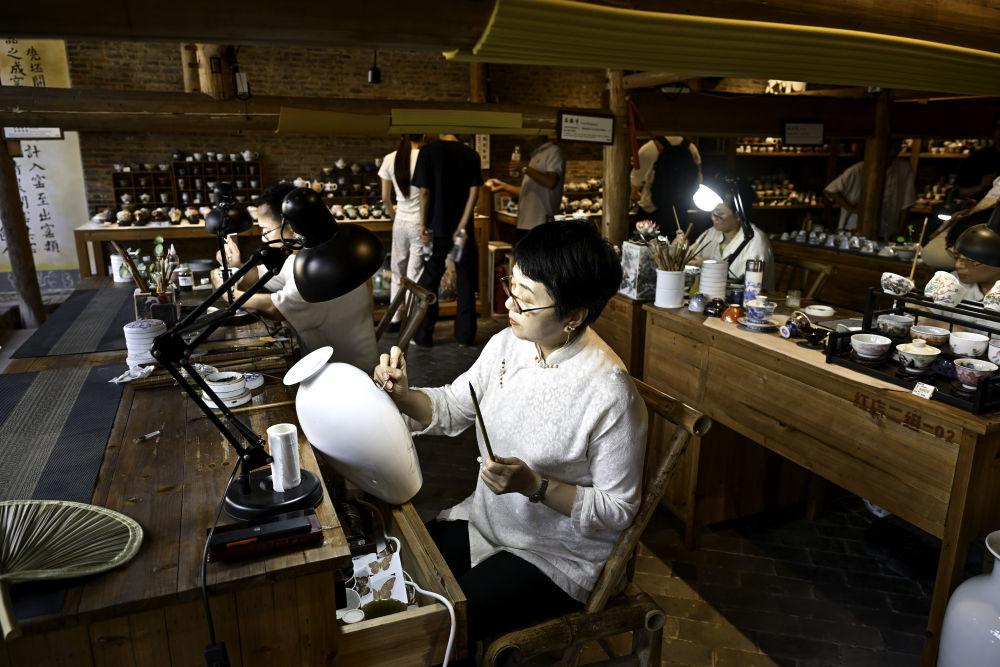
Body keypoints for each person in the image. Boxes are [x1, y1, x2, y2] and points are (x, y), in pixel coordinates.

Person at [373, 221, 647, 661]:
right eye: (511, 285)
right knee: (395, 575)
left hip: (556, 554)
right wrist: (404, 396)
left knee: (443, 623)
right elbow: (453, 406)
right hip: (486, 521)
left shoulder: (609, 392)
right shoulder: (508, 345)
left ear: (574, 316)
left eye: (525, 298)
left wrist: (535, 486)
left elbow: (618, 511)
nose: (508, 303)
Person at [211, 182, 378, 370]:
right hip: (328, 364)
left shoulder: (320, 269)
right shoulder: (306, 256)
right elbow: (256, 275)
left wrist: (231, 295)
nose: (263, 238)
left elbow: (274, 308)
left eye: (265, 231)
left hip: (350, 373)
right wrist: (237, 265)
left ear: (290, 227)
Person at [411, 133, 483, 347]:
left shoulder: (427, 152)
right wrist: (462, 224)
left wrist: (422, 224)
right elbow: (474, 193)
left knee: (430, 279)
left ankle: (423, 335)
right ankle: (465, 336)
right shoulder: (471, 154)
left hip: (437, 226)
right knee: (466, 279)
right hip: (463, 231)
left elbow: (424, 192)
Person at [687, 179, 775, 290]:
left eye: (719, 214)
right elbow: (690, 257)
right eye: (712, 212)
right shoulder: (712, 233)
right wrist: (680, 248)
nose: (713, 218)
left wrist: (709, 267)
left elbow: (750, 285)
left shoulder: (755, 241)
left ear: (738, 216)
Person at [379, 133, 426, 332]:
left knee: (397, 270)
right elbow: (425, 193)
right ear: (423, 135)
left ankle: (395, 318)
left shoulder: (390, 158)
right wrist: (424, 223)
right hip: (418, 222)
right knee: (414, 274)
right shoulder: (424, 157)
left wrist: (393, 216)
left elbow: (384, 197)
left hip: (400, 221)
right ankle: (408, 322)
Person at [824, 139, 916, 239]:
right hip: (855, 228)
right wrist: (851, 208)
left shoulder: (903, 169)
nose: (894, 151)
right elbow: (831, 190)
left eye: (897, 147)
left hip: (886, 230)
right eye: (891, 147)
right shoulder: (859, 169)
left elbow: (906, 204)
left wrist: (900, 233)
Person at [485, 135, 565, 243]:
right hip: (525, 223)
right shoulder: (536, 154)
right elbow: (526, 191)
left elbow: (551, 182)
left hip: (540, 224)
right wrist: (503, 186)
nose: (524, 135)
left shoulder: (554, 151)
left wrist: (525, 168)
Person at [630, 136, 702, 231]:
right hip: (680, 211)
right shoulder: (691, 148)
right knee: (677, 239)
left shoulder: (647, 150)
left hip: (652, 211)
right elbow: (698, 182)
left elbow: (634, 187)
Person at [956, 112, 1000, 200]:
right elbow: (957, 192)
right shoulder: (977, 158)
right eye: (999, 128)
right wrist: (981, 186)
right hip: (981, 208)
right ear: (994, 132)